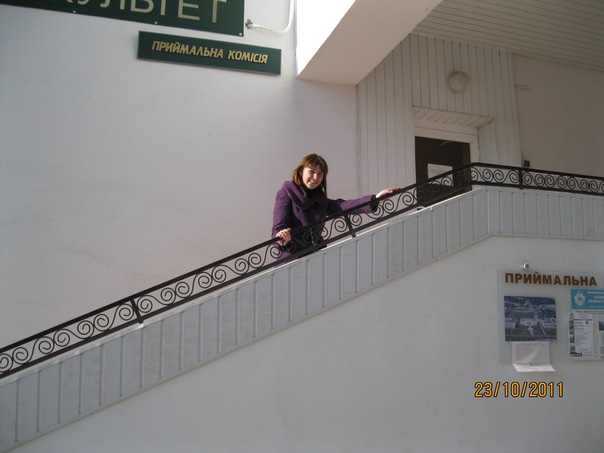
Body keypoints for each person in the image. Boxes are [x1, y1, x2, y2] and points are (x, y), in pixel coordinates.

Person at [272, 153, 398, 259]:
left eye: (320, 174)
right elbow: (278, 228)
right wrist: (281, 237)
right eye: (312, 171)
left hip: (316, 258)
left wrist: (375, 199)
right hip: (292, 261)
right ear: (301, 171)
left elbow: (344, 206)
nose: (315, 177)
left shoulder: (320, 199)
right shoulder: (286, 193)